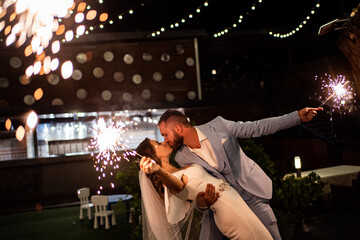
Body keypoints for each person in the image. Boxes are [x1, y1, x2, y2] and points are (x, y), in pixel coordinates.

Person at [157, 107, 323, 240]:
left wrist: (296, 117)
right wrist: (202, 203)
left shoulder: (219, 125)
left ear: (178, 128)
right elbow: (194, 190)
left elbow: (258, 127)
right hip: (222, 208)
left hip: (251, 194)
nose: (165, 140)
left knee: (270, 236)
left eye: (165, 134)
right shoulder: (181, 157)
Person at [137, 138, 273, 240]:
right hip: (227, 210)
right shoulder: (169, 181)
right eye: (158, 144)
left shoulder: (179, 168)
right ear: (153, 156)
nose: (163, 142)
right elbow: (179, 188)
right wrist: (158, 170)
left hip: (236, 204)